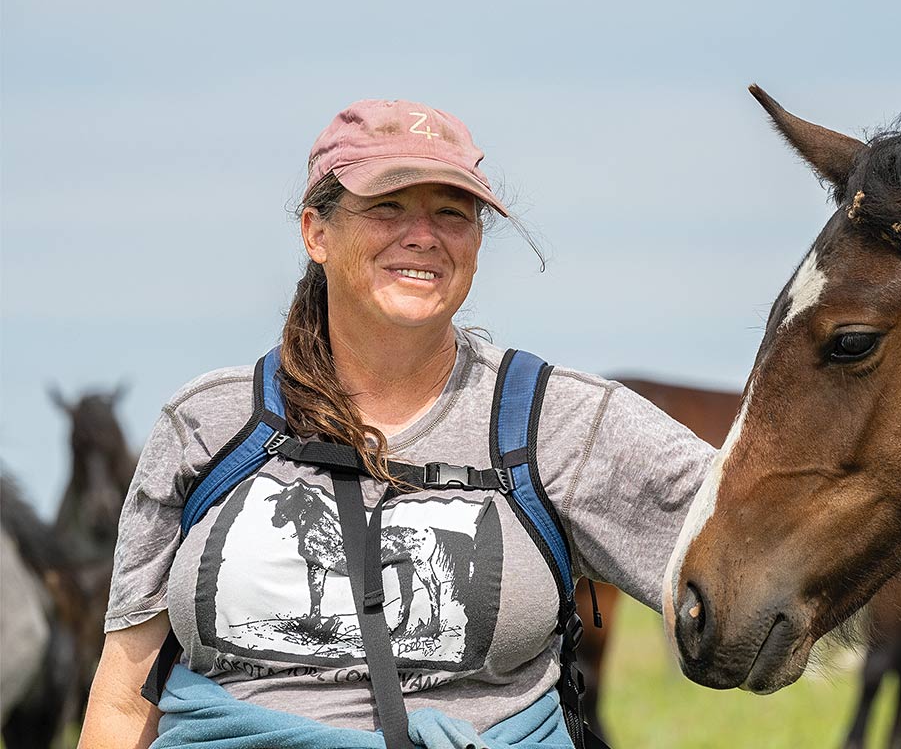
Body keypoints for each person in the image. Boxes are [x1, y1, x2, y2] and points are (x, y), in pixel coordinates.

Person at [78, 99, 714, 748]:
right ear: (315, 232)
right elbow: (125, 702)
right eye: (387, 206)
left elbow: (763, 533)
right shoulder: (208, 425)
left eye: (451, 211)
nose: (422, 234)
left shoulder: (562, 423)